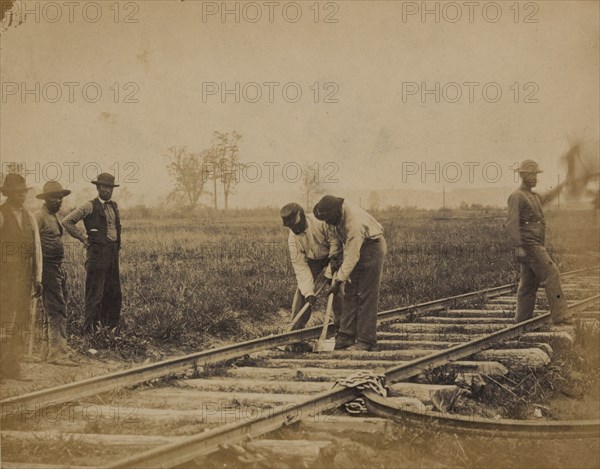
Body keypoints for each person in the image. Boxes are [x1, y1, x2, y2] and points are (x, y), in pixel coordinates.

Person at [313, 196, 387, 351]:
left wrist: (338, 281)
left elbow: (352, 256)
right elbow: (340, 241)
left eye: (329, 219)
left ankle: (366, 340)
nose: (328, 223)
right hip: (354, 248)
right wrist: (333, 261)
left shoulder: (354, 224)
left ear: (338, 211)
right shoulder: (337, 217)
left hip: (372, 248)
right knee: (350, 293)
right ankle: (346, 337)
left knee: (366, 294)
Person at [506, 159, 570, 324]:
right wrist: (519, 246)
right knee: (552, 273)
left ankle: (522, 321)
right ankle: (561, 316)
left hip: (535, 244)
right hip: (530, 245)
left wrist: (563, 184)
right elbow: (512, 224)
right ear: (523, 175)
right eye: (532, 174)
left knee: (528, 284)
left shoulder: (533, 196)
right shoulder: (516, 196)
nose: (535, 178)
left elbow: (548, 196)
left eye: (536, 174)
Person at [63, 173, 122, 334]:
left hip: (112, 254)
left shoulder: (114, 206)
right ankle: (89, 330)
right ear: (97, 188)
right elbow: (67, 221)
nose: (107, 190)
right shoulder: (89, 206)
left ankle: (110, 329)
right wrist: (83, 239)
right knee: (95, 293)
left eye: (110, 187)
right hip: (96, 254)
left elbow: (115, 229)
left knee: (113, 291)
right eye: (104, 187)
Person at [0, 174, 43, 379]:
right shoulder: (1, 214)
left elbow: (37, 249)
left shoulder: (30, 217)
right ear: (8, 194)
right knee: (3, 321)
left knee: (20, 320)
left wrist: (38, 278)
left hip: (24, 277)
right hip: (4, 279)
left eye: (24, 192)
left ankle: (12, 367)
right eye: (17, 193)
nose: (21, 196)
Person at [280, 202, 343, 332]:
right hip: (313, 260)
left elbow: (335, 241)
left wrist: (331, 269)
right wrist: (309, 293)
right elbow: (301, 268)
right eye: (291, 227)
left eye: (297, 225)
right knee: (302, 292)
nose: (295, 229)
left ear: (303, 217)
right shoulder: (293, 240)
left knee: (337, 288)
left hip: (332, 255)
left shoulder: (320, 222)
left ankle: (343, 328)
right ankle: (296, 331)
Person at [35, 181, 77, 365]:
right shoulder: (39, 217)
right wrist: (36, 273)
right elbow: (32, 245)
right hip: (47, 269)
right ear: (45, 198)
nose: (57, 200)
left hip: (58, 268)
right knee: (57, 310)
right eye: (53, 197)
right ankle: (58, 354)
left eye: (60, 197)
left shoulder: (54, 217)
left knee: (51, 311)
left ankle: (47, 351)